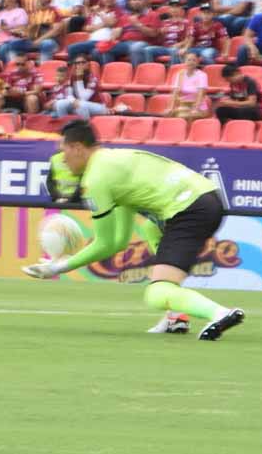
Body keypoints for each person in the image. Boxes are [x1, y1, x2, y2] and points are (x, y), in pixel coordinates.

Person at [22, 120, 246, 341]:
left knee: (157, 293)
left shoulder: (95, 179)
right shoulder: (114, 160)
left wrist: (58, 267)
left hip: (189, 210)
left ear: (77, 148)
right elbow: (119, 242)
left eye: (64, 152)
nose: (64, 160)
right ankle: (176, 317)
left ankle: (219, 313)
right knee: (150, 229)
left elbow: (105, 243)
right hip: (206, 199)